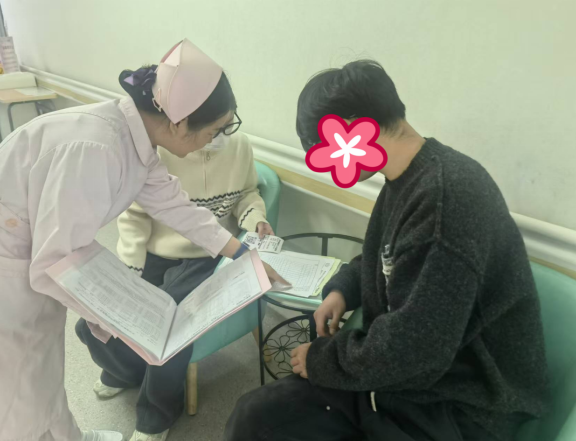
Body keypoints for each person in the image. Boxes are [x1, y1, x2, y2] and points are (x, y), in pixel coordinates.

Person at [224, 60, 550, 441]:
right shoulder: (409, 180)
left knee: (264, 423)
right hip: (417, 376)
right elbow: (386, 255)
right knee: (254, 416)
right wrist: (343, 289)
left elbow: (418, 348)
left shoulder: (444, 199)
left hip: (463, 403)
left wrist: (323, 359)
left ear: (354, 128)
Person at [0, 39, 284, 441]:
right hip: (2, 268)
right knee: (16, 387)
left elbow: (178, 207)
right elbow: (55, 261)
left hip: (29, 250)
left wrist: (243, 253)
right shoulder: (97, 147)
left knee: (41, 369)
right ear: (180, 123)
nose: (214, 141)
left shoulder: (134, 138)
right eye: (213, 131)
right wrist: (119, 315)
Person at [76, 129, 273, 441]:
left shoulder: (238, 143)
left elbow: (248, 192)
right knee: (93, 322)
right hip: (154, 253)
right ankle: (125, 371)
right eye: (210, 126)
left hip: (209, 255)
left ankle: (157, 414)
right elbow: (134, 217)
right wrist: (129, 271)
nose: (220, 132)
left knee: (169, 328)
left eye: (226, 123)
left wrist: (255, 218)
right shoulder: (159, 150)